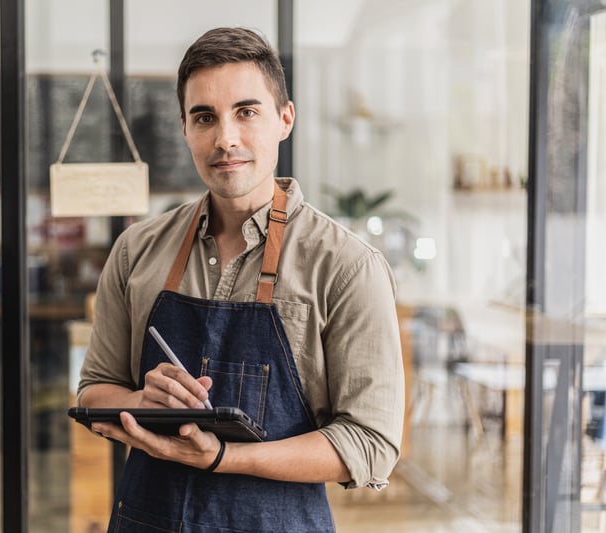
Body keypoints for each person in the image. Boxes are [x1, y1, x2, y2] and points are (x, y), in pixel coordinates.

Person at [77, 26, 404, 532]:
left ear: (285, 119)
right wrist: (141, 403)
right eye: (204, 117)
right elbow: (94, 393)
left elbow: (370, 443)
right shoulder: (135, 251)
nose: (225, 138)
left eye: (246, 112)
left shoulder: (346, 265)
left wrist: (221, 457)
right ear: (185, 128)